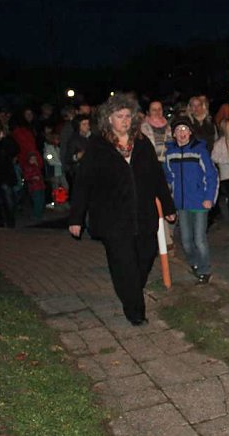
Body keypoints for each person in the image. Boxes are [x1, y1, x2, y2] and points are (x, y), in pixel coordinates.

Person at [68, 93, 176, 326]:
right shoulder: (98, 146)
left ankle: (131, 290)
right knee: (123, 263)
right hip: (112, 219)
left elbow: (156, 176)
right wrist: (76, 217)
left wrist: (168, 206)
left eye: (128, 116)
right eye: (120, 116)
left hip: (143, 215)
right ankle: (135, 309)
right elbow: (83, 183)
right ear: (109, 119)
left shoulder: (141, 142)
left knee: (146, 256)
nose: (125, 121)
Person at [164, 116, 218, 284]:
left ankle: (205, 270)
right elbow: (168, 179)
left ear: (190, 132)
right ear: (173, 134)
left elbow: (211, 176)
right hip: (181, 204)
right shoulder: (170, 154)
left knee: (199, 239)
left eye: (185, 129)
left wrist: (209, 198)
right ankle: (195, 263)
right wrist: (170, 201)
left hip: (200, 202)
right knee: (186, 241)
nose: (182, 133)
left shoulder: (199, 151)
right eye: (178, 130)